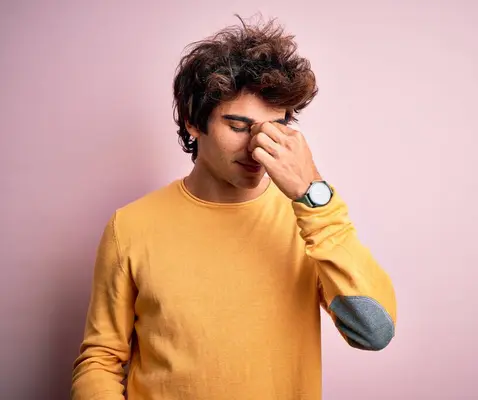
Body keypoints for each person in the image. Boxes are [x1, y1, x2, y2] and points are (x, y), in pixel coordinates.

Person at [71, 15, 397, 400]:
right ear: (193, 121)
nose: (258, 147)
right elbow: (101, 359)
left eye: (274, 128)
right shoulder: (130, 226)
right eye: (239, 127)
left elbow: (374, 332)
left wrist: (312, 193)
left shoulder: (309, 219)